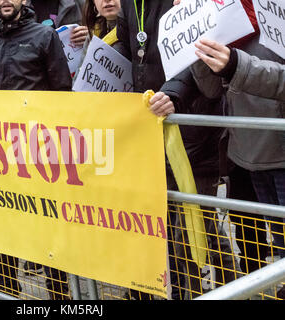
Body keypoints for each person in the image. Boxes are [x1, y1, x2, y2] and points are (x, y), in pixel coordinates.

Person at [117, 0, 239, 299]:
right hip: (153, 131)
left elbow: (202, 57)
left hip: (194, 134)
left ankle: (227, 288)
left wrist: (174, 94)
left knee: (194, 229)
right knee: (178, 228)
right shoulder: (128, 5)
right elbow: (130, 49)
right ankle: (215, 286)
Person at [0, 0, 72, 299]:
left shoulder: (43, 36)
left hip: (39, 152)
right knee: (3, 225)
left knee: (49, 223)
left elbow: (62, 91)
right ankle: (8, 292)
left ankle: (59, 294)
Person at [188, 2, 285, 298]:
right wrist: (196, 45)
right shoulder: (221, 17)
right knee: (276, 243)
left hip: (279, 150)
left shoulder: (275, 11)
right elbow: (211, 89)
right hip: (247, 154)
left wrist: (236, 65)